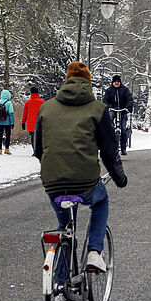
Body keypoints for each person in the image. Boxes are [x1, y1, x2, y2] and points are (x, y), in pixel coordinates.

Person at [33, 61, 127, 273]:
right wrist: (119, 178)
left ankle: (59, 283)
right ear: (88, 82)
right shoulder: (98, 109)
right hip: (85, 183)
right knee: (101, 201)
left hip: (53, 183)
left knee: (64, 227)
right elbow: (109, 152)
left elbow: (37, 148)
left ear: (67, 80)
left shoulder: (46, 108)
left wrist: (53, 168)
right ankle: (94, 251)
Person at [102, 74, 134, 155]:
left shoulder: (125, 90)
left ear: (120, 82)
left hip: (123, 110)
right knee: (109, 123)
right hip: (113, 109)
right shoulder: (109, 90)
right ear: (113, 82)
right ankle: (109, 145)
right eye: (115, 81)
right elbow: (105, 100)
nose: (116, 83)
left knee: (123, 129)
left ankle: (123, 148)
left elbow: (129, 99)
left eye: (118, 81)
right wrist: (107, 107)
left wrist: (128, 107)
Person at [0, 89, 15, 155]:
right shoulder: (9, 103)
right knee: (8, 136)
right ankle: (7, 149)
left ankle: (0, 150)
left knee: (0, 135)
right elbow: (11, 113)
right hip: (7, 122)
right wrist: (12, 122)